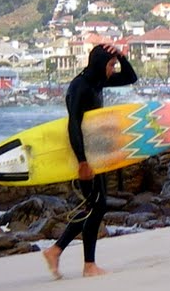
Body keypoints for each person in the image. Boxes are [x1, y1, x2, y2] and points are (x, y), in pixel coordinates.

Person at [42, 44, 137, 278]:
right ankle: (86, 264)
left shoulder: (97, 80)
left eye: (113, 65)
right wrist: (82, 161)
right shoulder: (80, 87)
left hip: (96, 151)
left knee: (95, 206)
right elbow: (73, 124)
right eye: (110, 65)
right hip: (84, 152)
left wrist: (121, 56)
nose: (112, 70)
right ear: (98, 64)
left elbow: (130, 77)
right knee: (96, 205)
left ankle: (57, 251)